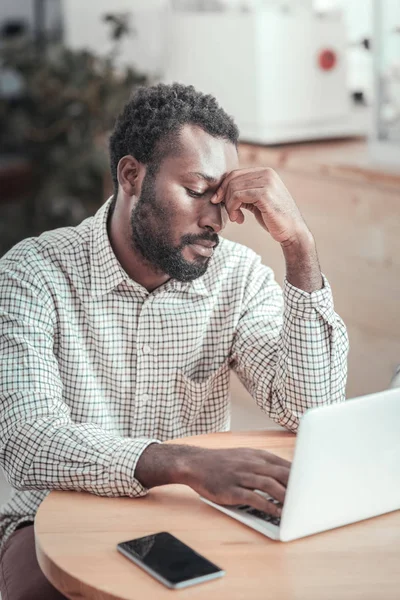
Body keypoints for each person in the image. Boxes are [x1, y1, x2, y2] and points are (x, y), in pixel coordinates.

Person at [0, 83, 348, 599]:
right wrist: (183, 462)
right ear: (132, 176)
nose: (215, 221)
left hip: (193, 513)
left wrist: (299, 244)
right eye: (195, 191)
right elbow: (28, 441)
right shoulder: (32, 273)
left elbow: (310, 408)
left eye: (224, 199)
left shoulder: (238, 277)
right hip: (55, 519)